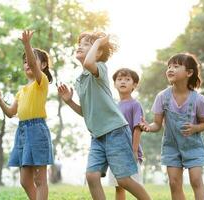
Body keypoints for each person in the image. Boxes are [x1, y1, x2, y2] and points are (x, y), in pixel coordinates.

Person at [57, 31, 151, 200]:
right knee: (91, 176)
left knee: (123, 180)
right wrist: (70, 102)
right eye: (80, 43)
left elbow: (88, 62)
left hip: (115, 131)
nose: (80, 46)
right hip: (97, 136)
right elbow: (86, 113)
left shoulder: (99, 68)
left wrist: (100, 41)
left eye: (86, 44)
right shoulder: (80, 81)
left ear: (98, 52)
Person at [0, 30, 54, 200]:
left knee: (40, 180)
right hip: (23, 132)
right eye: (25, 61)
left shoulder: (42, 83)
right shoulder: (21, 91)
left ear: (43, 65)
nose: (28, 63)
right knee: (25, 180)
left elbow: (34, 65)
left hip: (37, 130)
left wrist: (27, 44)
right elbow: (11, 113)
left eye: (31, 60)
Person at [140, 53, 204, 200]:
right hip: (171, 147)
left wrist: (195, 128)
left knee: (196, 181)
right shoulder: (162, 97)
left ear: (189, 73)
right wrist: (148, 127)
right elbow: (157, 124)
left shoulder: (198, 99)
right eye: (169, 66)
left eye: (176, 66)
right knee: (174, 183)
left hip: (193, 147)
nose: (170, 69)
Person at [108, 68, 145, 200]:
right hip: (115, 153)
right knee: (118, 186)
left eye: (127, 79)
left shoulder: (135, 105)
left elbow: (137, 128)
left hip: (130, 152)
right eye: (119, 79)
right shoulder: (114, 106)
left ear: (134, 85)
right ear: (114, 84)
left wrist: (134, 151)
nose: (123, 82)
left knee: (134, 185)